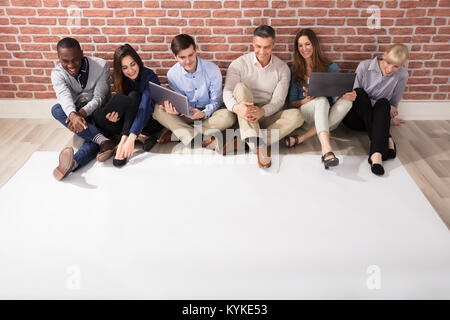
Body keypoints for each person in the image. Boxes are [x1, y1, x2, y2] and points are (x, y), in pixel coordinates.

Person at [223, 25, 304, 168]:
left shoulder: (282, 68)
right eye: (258, 46)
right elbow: (227, 92)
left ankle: (246, 142)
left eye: (267, 47)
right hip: (243, 115)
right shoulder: (238, 64)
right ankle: (259, 145)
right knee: (241, 87)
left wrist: (262, 112)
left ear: (273, 45)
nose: (262, 52)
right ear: (253, 44)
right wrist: (237, 108)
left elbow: (279, 100)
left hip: (266, 114)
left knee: (297, 116)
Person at [285, 29, 357, 169]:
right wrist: (307, 100)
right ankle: (326, 149)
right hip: (307, 115)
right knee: (321, 100)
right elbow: (292, 103)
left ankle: (303, 138)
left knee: (347, 101)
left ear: (314, 45)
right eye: (300, 45)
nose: (304, 49)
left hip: (327, 116)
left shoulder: (331, 67)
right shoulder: (295, 70)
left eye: (307, 44)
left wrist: (345, 94)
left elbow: (334, 98)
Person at [152, 34, 235, 154]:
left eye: (191, 55)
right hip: (187, 115)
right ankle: (196, 137)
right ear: (175, 57)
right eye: (182, 57)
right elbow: (180, 100)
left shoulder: (212, 69)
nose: (188, 61)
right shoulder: (172, 74)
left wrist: (203, 113)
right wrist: (178, 111)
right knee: (157, 110)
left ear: (196, 50)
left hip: (209, 115)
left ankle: (179, 134)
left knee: (229, 116)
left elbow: (216, 101)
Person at [51, 37, 116, 181]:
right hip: (76, 114)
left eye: (75, 59)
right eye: (65, 61)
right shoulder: (57, 74)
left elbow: (99, 98)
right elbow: (64, 97)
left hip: (97, 113)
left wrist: (80, 113)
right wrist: (73, 114)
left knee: (93, 139)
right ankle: (103, 142)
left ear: (81, 53)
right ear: (59, 58)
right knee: (56, 109)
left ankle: (75, 161)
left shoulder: (101, 65)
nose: (71, 65)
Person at [343, 44, 409, 176]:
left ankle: (376, 155)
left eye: (396, 66)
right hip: (355, 118)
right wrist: (386, 124)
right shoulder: (364, 66)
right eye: (388, 62)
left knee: (384, 103)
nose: (390, 69)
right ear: (384, 55)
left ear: (401, 65)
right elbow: (355, 97)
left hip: (376, 119)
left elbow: (394, 103)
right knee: (360, 93)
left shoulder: (402, 75)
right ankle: (387, 138)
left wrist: (389, 118)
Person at [93, 44, 162, 167]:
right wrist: (116, 116)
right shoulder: (118, 78)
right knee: (97, 114)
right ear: (120, 69)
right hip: (129, 123)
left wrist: (130, 137)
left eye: (133, 64)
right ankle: (142, 138)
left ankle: (124, 141)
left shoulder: (149, 76)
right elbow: (126, 108)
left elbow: (145, 107)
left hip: (148, 120)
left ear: (138, 62)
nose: (130, 71)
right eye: (125, 68)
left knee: (135, 95)